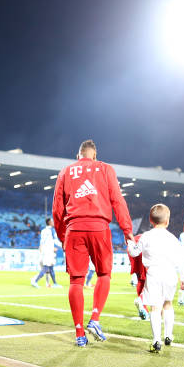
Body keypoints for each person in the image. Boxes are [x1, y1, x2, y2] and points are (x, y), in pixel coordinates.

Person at [52, 140, 134, 347]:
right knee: (104, 274)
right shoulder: (105, 169)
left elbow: (57, 209)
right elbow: (117, 200)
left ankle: (80, 334)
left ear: (78, 155)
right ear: (94, 155)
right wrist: (127, 231)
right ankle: (95, 319)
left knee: (76, 281)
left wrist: (63, 236)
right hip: (99, 229)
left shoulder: (65, 172)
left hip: (74, 229)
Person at [127, 204, 183, 353]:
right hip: (170, 273)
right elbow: (180, 260)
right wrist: (183, 277)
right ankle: (169, 335)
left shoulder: (146, 236)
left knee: (155, 307)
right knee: (168, 304)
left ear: (151, 221)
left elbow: (134, 253)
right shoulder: (172, 238)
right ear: (167, 221)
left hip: (154, 273)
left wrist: (130, 243)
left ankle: (156, 339)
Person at [31, 218, 63, 288]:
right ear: (49, 222)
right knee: (46, 267)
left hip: (46, 251)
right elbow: (55, 240)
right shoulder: (52, 230)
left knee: (51, 268)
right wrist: (63, 245)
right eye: (53, 221)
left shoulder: (43, 230)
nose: (54, 223)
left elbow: (42, 241)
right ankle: (35, 281)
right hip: (49, 252)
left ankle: (55, 283)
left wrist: (41, 247)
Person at [128, 234, 148, 320]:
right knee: (153, 282)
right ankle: (141, 299)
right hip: (143, 252)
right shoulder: (160, 235)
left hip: (133, 250)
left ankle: (144, 309)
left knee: (140, 280)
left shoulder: (140, 236)